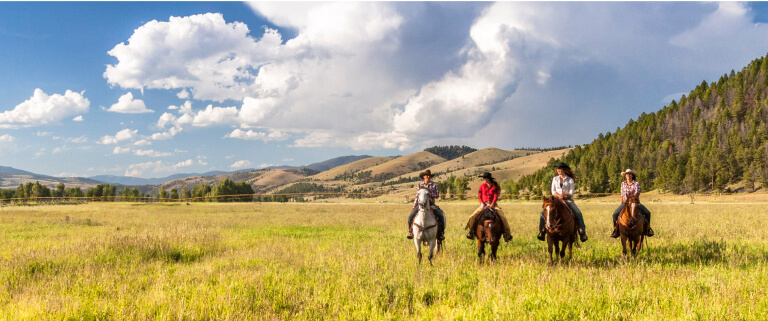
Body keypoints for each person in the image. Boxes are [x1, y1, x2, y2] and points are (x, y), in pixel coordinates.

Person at [537, 162, 589, 242]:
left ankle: (582, 232)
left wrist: (564, 195)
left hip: (567, 200)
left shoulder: (570, 180)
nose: (558, 170)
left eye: (560, 169)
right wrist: (558, 195)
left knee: (578, 213)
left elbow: (571, 192)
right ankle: (542, 231)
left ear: (564, 170)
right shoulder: (555, 179)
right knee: (542, 213)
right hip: (556, 200)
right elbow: (553, 191)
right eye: (557, 169)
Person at [464, 172, 513, 242]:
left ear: (488, 179)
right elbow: (479, 196)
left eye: (484, 178)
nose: (483, 179)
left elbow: (496, 196)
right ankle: (471, 232)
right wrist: (481, 203)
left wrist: (492, 204)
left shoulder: (495, 187)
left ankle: (507, 234)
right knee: (472, 217)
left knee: (503, 217)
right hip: (483, 205)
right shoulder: (482, 186)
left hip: (493, 205)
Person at [610, 169, 655, 238]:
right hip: (625, 203)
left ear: (632, 176)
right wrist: (621, 203)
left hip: (635, 202)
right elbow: (622, 195)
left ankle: (647, 229)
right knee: (615, 214)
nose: (628, 175)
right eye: (627, 174)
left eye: (630, 174)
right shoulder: (623, 184)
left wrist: (631, 199)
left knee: (647, 213)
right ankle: (616, 230)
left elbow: (637, 193)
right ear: (625, 176)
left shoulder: (636, 184)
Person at [406, 170, 446, 241]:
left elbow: (437, 195)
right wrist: (414, 206)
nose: (427, 176)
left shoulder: (434, 185)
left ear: (430, 176)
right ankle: (410, 232)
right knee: (410, 217)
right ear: (423, 176)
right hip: (420, 204)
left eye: (429, 175)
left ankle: (441, 234)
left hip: (430, 204)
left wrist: (428, 194)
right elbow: (416, 197)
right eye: (426, 175)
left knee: (441, 216)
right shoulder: (420, 185)